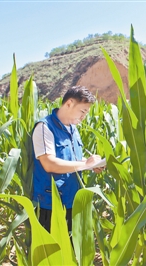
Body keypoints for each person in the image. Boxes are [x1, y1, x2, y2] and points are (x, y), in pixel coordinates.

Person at [31, 85, 104, 232]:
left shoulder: (73, 129)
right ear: (69, 103)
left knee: (70, 249)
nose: (83, 117)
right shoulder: (45, 128)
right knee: (50, 252)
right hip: (50, 203)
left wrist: (90, 164)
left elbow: (71, 159)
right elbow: (49, 163)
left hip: (72, 200)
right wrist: (84, 165)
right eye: (82, 111)